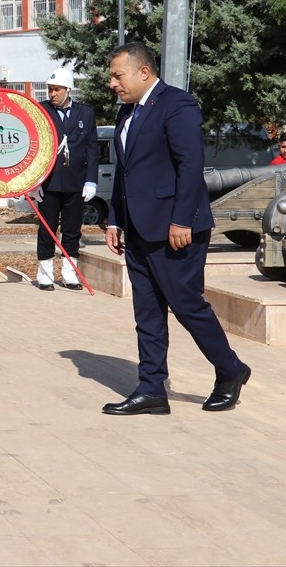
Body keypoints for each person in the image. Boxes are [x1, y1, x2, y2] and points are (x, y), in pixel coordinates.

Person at [103, 42, 250, 415]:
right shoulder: (126, 113)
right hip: (137, 229)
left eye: (118, 75)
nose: (112, 84)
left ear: (144, 72)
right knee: (147, 313)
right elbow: (126, 171)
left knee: (187, 306)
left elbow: (190, 164)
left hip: (175, 227)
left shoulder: (177, 104)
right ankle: (151, 388)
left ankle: (230, 370)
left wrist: (182, 219)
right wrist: (116, 218)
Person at [30, 68, 98, 291]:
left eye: (57, 90)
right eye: (50, 90)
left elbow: (92, 149)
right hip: (48, 183)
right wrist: (34, 182)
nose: (52, 94)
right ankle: (45, 274)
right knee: (47, 229)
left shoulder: (85, 113)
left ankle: (70, 274)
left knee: (72, 230)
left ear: (68, 90)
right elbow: (34, 147)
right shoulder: (41, 111)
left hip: (75, 183)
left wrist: (91, 180)